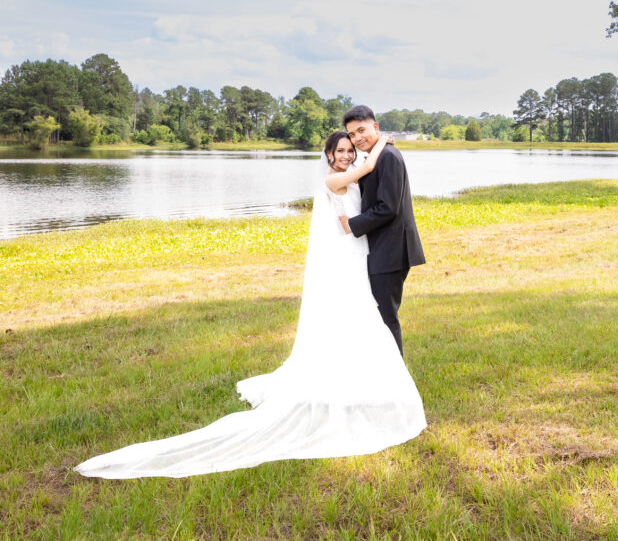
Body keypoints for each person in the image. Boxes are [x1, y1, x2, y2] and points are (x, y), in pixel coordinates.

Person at [74, 131, 426, 478]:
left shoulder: (349, 173)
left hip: (356, 252)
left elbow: (367, 182)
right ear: (329, 155)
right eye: (341, 150)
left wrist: (373, 149)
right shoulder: (335, 179)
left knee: (361, 316)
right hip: (345, 256)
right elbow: (364, 172)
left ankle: (361, 375)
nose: (347, 155)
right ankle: (347, 379)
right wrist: (381, 141)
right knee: (351, 314)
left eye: (351, 149)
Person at [339, 106, 425, 356]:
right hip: (383, 248)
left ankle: (397, 384)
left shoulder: (388, 157)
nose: (357, 138)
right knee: (380, 314)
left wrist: (351, 225)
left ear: (375, 127)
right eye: (352, 134)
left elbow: (388, 208)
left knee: (386, 317)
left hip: (391, 250)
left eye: (361, 130)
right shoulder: (379, 155)